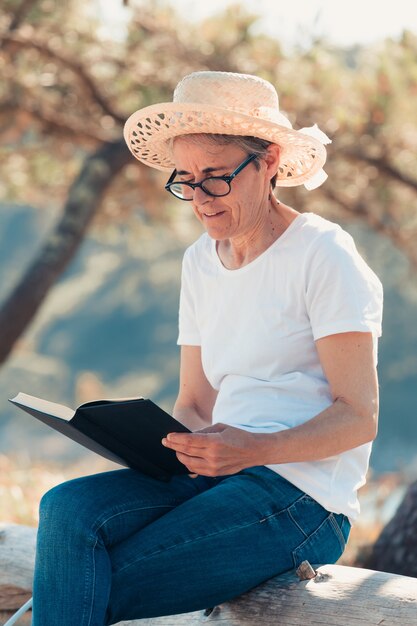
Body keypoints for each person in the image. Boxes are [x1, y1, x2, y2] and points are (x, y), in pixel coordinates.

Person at [31, 71, 383, 625]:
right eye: (187, 179)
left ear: (267, 163)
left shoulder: (324, 255)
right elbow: (196, 402)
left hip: (301, 499)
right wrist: (165, 444)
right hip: (217, 476)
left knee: (92, 582)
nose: (199, 198)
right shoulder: (200, 260)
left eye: (217, 177)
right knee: (66, 507)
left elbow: (358, 418)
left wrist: (252, 450)